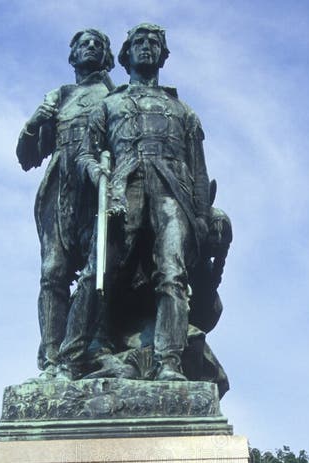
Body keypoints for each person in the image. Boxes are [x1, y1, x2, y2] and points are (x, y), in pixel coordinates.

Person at [59, 23, 212, 382]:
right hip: (123, 189)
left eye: (154, 43)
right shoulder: (109, 105)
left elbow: (199, 172)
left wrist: (202, 219)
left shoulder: (183, 111)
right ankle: (69, 361)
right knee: (96, 272)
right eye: (139, 42)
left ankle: (169, 362)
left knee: (172, 274)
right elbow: (85, 154)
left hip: (172, 193)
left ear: (162, 55)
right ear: (126, 56)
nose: (147, 47)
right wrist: (96, 171)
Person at [16, 29, 114, 377]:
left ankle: (92, 346)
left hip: (96, 187)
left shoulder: (114, 96)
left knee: (98, 269)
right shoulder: (60, 97)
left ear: (107, 57)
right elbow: (27, 158)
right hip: (60, 190)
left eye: (98, 44)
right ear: (72, 55)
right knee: (52, 273)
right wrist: (34, 123)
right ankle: (51, 358)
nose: (91, 47)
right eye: (83, 44)